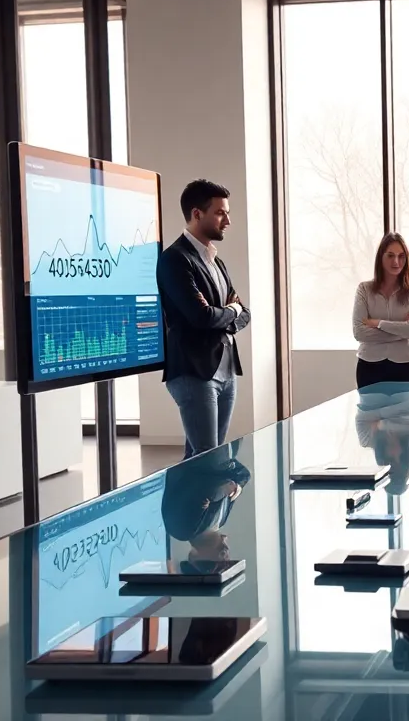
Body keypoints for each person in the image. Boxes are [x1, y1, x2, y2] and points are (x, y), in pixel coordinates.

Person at [157, 179, 252, 461]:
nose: (228, 221)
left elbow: (245, 312)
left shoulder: (216, 261)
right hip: (194, 372)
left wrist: (228, 312)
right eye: (220, 213)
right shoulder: (175, 260)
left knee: (204, 457)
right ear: (197, 214)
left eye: (227, 213)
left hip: (226, 370)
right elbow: (201, 317)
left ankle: (187, 494)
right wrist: (231, 311)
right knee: (208, 458)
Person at [160, 440, 251, 570]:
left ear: (194, 557)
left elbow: (206, 491)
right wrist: (234, 485)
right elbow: (244, 474)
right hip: (226, 449)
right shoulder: (221, 521)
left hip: (206, 451)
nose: (224, 556)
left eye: (214, 563)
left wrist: (228, 487)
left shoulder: (182, 529)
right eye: (226, 562)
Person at [353, 233, 409, 389]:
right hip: (369, 367)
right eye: (390, 255)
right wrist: (403, 328)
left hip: (406, 367)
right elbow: (359, 333)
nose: (396, 261)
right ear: (381, 257)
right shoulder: (364, 289)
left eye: (401, 256)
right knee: (370, 407)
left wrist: (379, 323)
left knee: (407, 407)